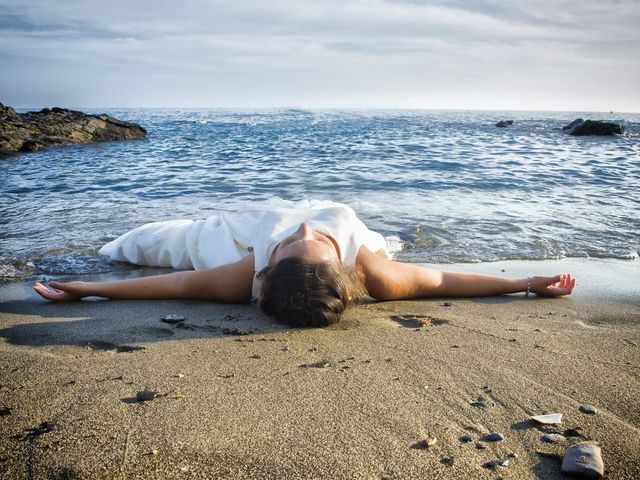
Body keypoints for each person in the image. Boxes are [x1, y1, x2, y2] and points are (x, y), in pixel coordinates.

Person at [33, 199, 576, 327]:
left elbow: (174, 281)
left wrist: (89, 288)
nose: (303, 228)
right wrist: (527, 282)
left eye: (299, 239)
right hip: (288, 245)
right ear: (343, 266)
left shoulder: (250, 273)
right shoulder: (374, 271)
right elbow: (444, 279)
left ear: (267, 269)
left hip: (232, 238)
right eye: (308, 238)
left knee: (133, 247)